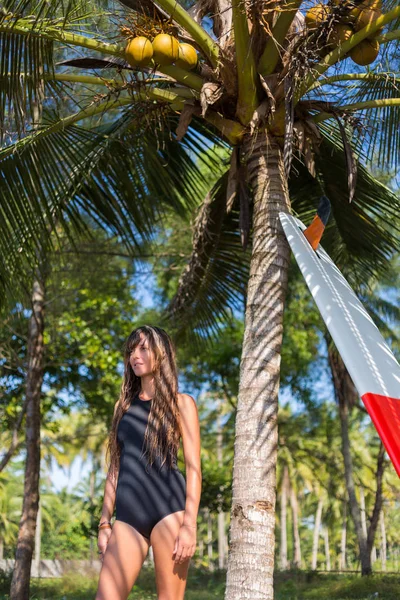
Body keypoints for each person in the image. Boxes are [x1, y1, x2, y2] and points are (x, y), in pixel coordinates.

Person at [95, 325, 202, 600]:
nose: (135, 355)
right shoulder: (124, 407)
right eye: (132, 349)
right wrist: (105, 522)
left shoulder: (182, 404)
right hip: (128, 518)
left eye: (143, 348)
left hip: (170, 512)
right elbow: (115, 467)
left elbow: (193, 469)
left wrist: (190, 526)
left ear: (161, 354)